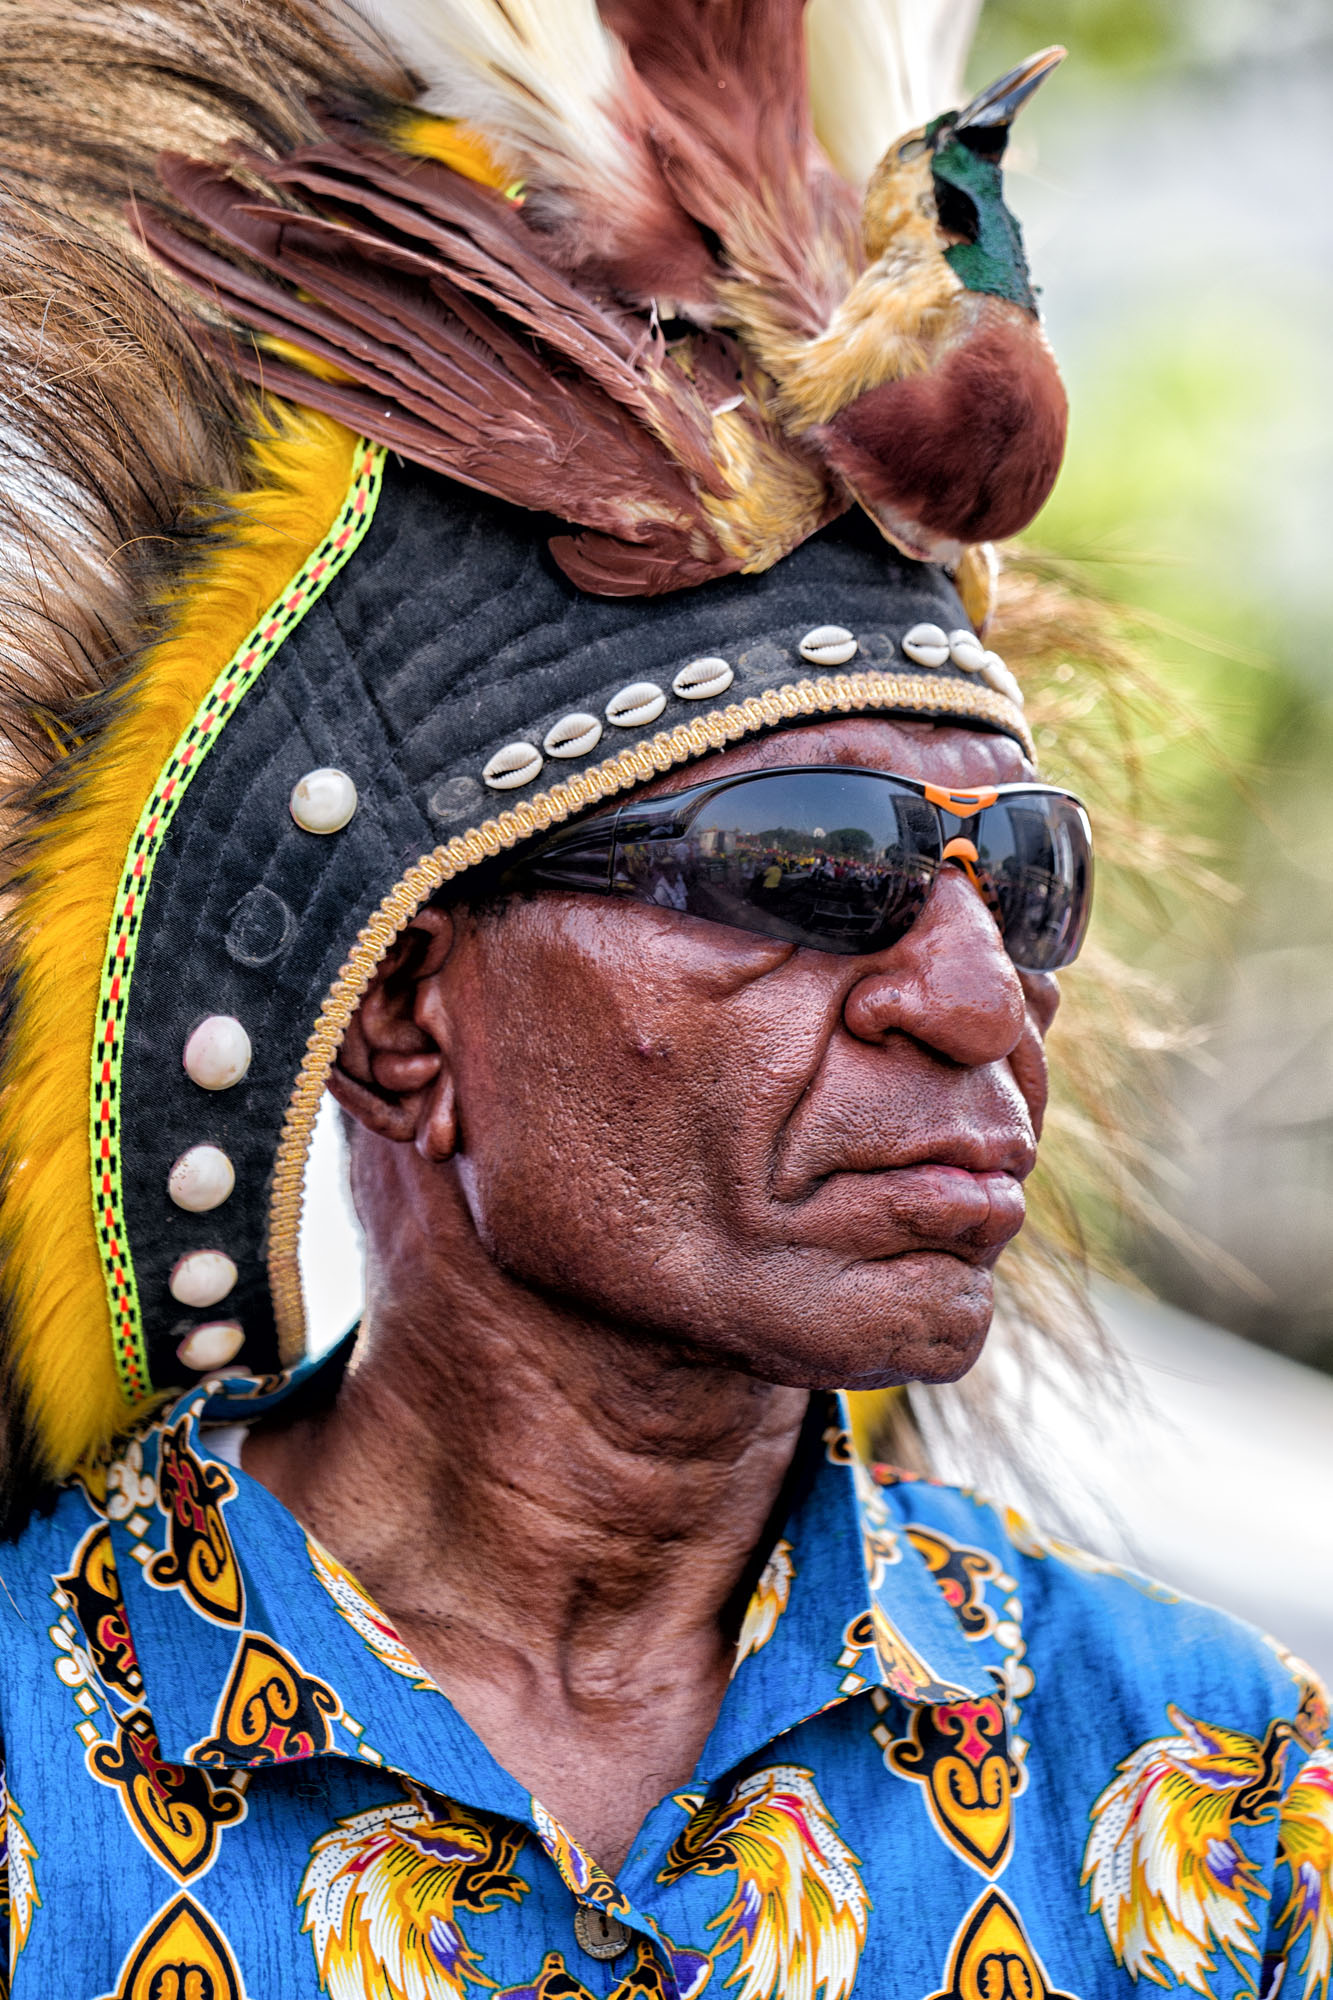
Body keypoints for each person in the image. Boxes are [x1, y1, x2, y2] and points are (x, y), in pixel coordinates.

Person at [0, 3, 1327, 1997]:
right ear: (403, 1016)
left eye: (1027, 876)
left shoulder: (1216, 1793)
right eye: (811, 866)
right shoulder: (30, 1766)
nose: (976, 999)